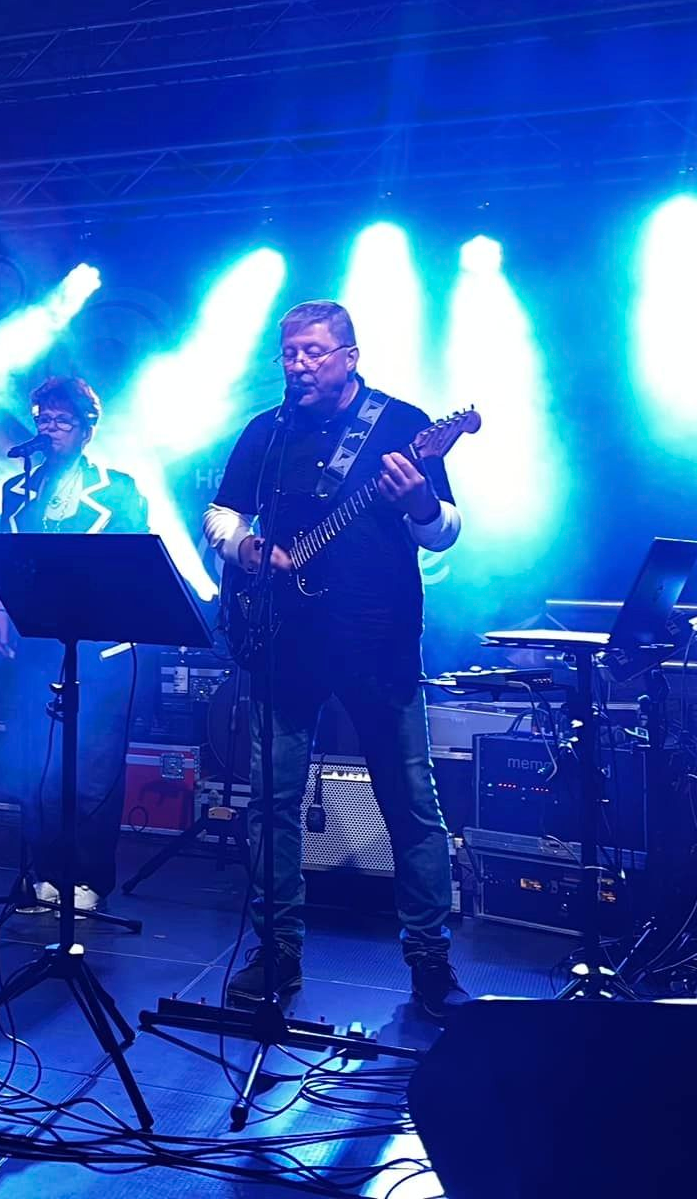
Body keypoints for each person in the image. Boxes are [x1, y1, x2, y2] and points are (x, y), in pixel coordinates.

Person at [202, 300, 468, 1018]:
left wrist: (420, 502)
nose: (299, 364)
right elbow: (222, 513)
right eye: (290, 352)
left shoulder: (404, 424)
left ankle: (430, 959)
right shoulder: (267, 431)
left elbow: (445, 531)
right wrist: (244, 547)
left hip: (377, 641)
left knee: (410, 801)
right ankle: (277, 951)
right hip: (283, 641)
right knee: (271, 803)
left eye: (314, 352)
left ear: (350, 356)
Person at [0, 376, 149, 913]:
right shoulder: (18, 489)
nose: (50, 429)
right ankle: (45, 871)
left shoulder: (117, 489)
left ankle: (89, 876)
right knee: (38, 760)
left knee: (94, 765)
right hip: (39, 642)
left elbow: (132, 564)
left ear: (86, 430)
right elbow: (7, 559)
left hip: (100, 644)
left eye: (62, 421)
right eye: (44, 420)